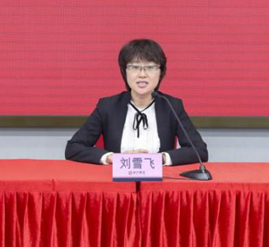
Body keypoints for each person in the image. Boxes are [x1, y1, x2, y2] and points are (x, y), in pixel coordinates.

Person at [65, 39, 208, 166]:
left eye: (150, 67)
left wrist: (161, 158)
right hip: (116, 184)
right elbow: (73, 147)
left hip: (158, 184)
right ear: (125, 71)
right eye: (135, 67)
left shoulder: (171, 106)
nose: (142, 75)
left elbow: (200, 150)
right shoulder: (108, 106)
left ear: (161, 72)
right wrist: (112, 158)